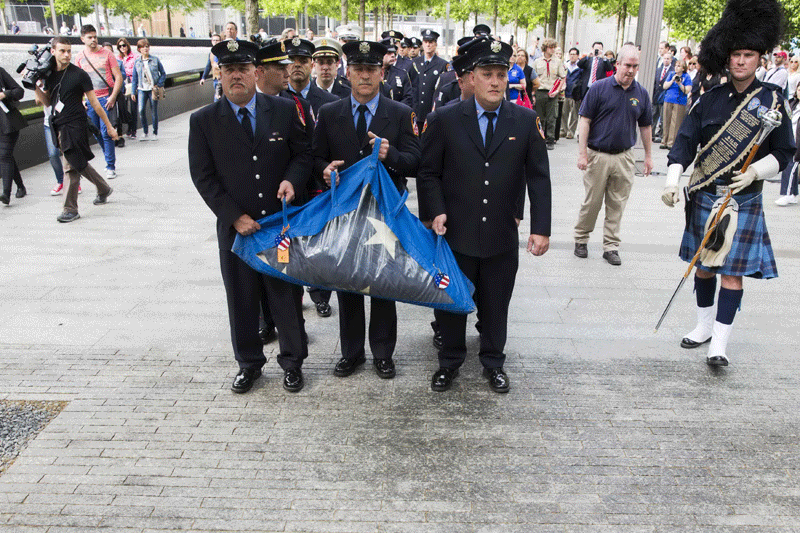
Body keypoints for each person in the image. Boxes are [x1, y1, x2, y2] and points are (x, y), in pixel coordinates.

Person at [661, 0, 794, 367]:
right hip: (706, 197)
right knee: (703, 267)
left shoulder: (772, 100)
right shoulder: (709, 100)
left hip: (745, 200)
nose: (740, 61)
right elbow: (685, 142)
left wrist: (754, 171)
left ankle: (720, 344)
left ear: (759, 58)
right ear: (727, 57)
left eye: (748, 55)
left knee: (733, 275)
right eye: (735, 54)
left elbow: (785, 152)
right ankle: (704, 326)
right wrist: (674, 181)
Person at [418, 38, 551, 393]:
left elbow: (538, 176)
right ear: (471, 78)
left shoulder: (524, 121)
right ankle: (449, 363)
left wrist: (541, 228)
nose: (495, 81)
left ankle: (493, 363)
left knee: (495, 307)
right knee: (451, 306)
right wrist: (435, 211)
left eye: (500, 74)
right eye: (487, 74)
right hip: (456, 236)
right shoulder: (444, 119)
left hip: (500, 236)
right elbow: (428, 172)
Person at [188, 39, 312, 393]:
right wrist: (234, 216)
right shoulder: (204, 121)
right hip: (237, 231)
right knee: (241, 300)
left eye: (243, 69)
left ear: (256, 72)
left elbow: (302, 155)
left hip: (278, 227)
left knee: (285, 297)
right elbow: (203, 176)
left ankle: (292, 363)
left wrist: (292, 179)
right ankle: (248, 364)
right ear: (220, 75)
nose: (236, 76)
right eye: (229, 70)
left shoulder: (284, 110)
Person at [312, 40, 421, 380]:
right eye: (358, 69)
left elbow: (418, 162)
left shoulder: (401, 113)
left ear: (381, 72)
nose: (364, 75)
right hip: (345, 212)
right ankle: (352, 352)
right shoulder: (330, 113)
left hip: (384, 213)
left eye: (371, 69)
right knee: (347, 283)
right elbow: (315, 157)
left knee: (383, 283)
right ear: (348, 71)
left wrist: (393, 156)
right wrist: (324, 170)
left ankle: (383, 353)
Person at [573, 45, 654, 266]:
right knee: (592, 201)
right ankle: (581, 239)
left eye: (635, 66)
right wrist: (582, 154)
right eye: (627, 65)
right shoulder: (599, 88)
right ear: (617, 64)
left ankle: (611, 246)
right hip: (597, 155)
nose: (631, 70)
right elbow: (585, 121)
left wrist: (648, 156)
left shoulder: (641, 94)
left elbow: (645, 126)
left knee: (617, 204)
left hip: (624, 157)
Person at [34, 37, 117, 223]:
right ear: (53, 51)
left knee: (70, 167)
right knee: (77, 161)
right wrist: (34, 86)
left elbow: (94, 103)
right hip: (58, 125)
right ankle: (103, 188)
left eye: (69, 51)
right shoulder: (49, 75)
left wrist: (109, 127)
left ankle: (70, 208)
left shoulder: (80, 74)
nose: (66, 55)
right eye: (62, 51)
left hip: (76, 125)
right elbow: (45, 102)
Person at [75, 24, 123, 180]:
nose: (94, 40)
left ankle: (110, 166)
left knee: (106, 132)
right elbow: (78, 83)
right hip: (90, 101)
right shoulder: (79, 57)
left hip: (105, 99)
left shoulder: (107, 54)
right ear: (82, 39)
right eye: (90, 37)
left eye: (95, 36)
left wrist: (113, 96)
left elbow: (119, 77)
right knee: (96, 132)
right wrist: (82, 99)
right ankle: (108, 156)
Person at [285, 37, 338, 115]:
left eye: (303, 61)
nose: (297, 65)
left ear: (312, 66)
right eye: (291, 61)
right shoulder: (276, 98)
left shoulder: (330, 101)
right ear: (285, 65)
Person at [0, 66, 28, 206]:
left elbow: (19, 91)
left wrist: (4, 94)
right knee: (7, 156)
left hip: (8, 123)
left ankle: (6, 193)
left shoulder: (0, 71)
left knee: (4, 156)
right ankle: (21, 186)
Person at [412, 30, 448, 132]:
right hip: (416, 112)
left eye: (431, 42)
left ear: (435, 44)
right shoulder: (414, 63)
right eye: (426, 42)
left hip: (431, 113)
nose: (428, 45)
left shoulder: (442, 65)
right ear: (422, 43)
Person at [532, 38, 566, 149]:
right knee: (539, 117)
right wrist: (533, 93)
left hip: (552, 92)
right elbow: (533, 78)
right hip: (540, 91)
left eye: (554, 47)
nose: (552, 50)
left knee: (552, 117)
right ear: (545, 48)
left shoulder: (557, 61)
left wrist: (557, 90)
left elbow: (562, 77)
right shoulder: (537, 61)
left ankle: (550, 139)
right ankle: (539, 138)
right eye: (550, 47)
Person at [131, 39, 166, 141]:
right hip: (142, 89)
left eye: (147, 46)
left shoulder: (155, 60)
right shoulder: (137, 62)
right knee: (141, 110)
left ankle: (155, 132)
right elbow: (134, 79)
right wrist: (133, 91)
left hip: (152, 89)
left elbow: (163, 73)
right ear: (139, 49)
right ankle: (145, 131)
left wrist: (158, 84)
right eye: (143, 47)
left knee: (153, 110)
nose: (145, 48)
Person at [661, 59, 692, 149]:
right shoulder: (671, 74)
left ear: (683, 68)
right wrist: (672, 80)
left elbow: (687, 91)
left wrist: (679, 83)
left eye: (678, 66)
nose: (676, 67)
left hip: (679, 101)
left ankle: (671, 143)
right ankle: (664, 141)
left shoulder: (687, 77)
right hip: (668, 99)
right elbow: (664, 86)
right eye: (675, 65)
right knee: (666, 120)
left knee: (675, 123)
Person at [380, 38, 413, 107]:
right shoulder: (372, 74)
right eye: (389, 53)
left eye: (394, 52)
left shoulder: (402, 74)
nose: (393, 55)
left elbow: (408, 98)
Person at [116, 38, 138, 139]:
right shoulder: (118, 59)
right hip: (122, 85)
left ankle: (133, 130)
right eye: (120, 46)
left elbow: (136, 71)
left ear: (127, 45)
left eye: (124, 45)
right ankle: (129, 126)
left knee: (133, 108)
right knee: (123, 109)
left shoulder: (134, 57)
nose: (122, 48)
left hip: (133, 84)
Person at [652, 50, 675, 143]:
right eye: (664, 58)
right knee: (653, 115)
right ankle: (651, 134)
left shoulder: (672, 71)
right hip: (656, 96)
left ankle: (662, 136)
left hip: (665, 96)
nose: (666, 60)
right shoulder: (658, 69)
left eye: (668, 59)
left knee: (663, 117)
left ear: (671, 60)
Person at [562, 47, 581, 139]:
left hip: (575, 94)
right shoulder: (566, 66)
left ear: (578, 56)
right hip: (566, 92)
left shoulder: (580, 67)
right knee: (564, 113)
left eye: (574, 54)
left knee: (574, 114)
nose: (572, 56)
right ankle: (563, 130)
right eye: (571, 54)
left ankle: (571, 132)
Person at [200, 33, 223, 101]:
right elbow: (208, 66)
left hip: (223, 80)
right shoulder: (211, 54)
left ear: (220, 41)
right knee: (217, 98)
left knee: (218, 99)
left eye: (217, 40)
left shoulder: (223, 53)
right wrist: (203, 78)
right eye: (214, 40)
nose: (215, 42)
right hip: (215, 79)